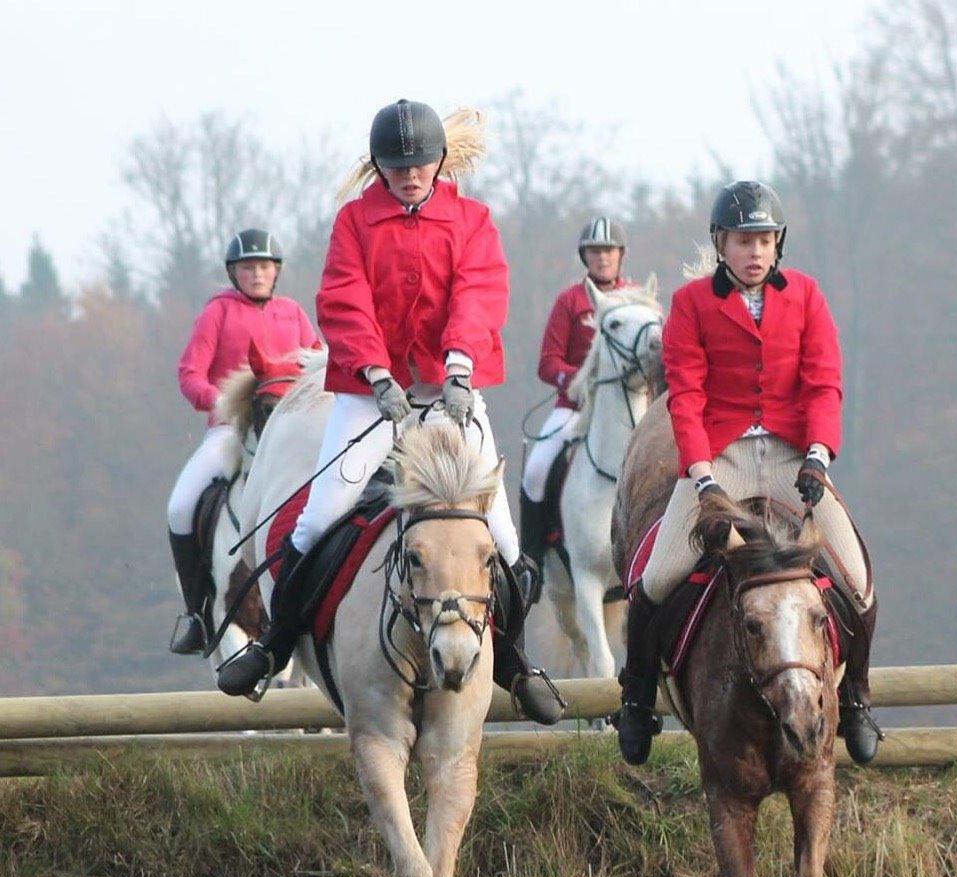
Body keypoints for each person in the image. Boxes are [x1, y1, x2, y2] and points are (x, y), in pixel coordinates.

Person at [215, 100, 563, 724]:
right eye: (396, 165)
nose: (408, 175)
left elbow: (479, 294)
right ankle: (271, 649)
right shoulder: (354, 221)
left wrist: (458, 368)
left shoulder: (473, 219)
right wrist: (376, 374)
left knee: (505, 540)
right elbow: (343, 298)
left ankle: (512, 658)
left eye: (419, 163)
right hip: (369, 394)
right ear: (379, 165)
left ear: (439, 162)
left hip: (449, 390)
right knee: (317, 520)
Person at [612, 180, 880, 766]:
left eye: (763, 240)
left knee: (856, 577)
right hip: (723, 454)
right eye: (742, 241)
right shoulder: (690, 304)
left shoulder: (807, 296)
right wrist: (703, 478)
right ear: (720, 243)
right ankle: (635, 698)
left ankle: (856, 695)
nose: (754, 252)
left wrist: (818, 453)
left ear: (777, 244)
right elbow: (685, 395)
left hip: (789, 453)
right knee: (656, 579)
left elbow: (824, 382)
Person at [166, 229, 317, 655]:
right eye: (248, 267)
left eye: (265, 266)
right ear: (234, 273)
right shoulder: (217, 313)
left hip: (288, 435)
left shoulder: (293, 314)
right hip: (230, 432)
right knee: (180, 506)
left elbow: (316, 363)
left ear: (276, 272)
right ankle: (197, 612)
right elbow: (190, 373)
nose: (257, 274)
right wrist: (221, 403)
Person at [520, 218, 632, 568]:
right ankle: (532, 562)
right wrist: (582, 380)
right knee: (535, 472)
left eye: (608, 251)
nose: (602, 258)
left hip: (624, 411)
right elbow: (547, 362)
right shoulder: (569, 302)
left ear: (620, 255)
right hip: (574, 408)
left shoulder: (634, 300)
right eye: (595, 251)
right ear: (586, 256)